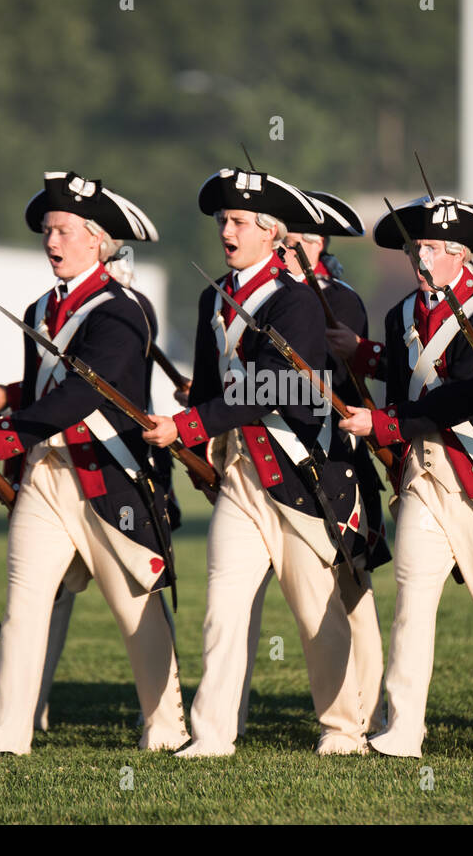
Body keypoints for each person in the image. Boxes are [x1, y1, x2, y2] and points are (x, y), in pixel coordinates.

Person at [0, 171, 188, 754]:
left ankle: (167, 727)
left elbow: (88, 393)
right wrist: (7, 404)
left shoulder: (123, 310)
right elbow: (45, 394)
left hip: (108, 476)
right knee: (26, 601)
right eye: (48, 231)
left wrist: (3, 439)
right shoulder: (40, 309)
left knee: (136, 607)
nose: (51, 241)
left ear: (95, 238)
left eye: (62, 230)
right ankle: (11, 728)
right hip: (47, 476)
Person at [143, 166, 371, 757]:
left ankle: (343, 729)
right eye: (223, 220)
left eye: (240, 220)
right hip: (241, 476)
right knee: (222, 609)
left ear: (272, 233)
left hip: (299, 475)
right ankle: (212, 734)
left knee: (316, 612)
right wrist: (193, 450)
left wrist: (188, 426)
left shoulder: (296, 302)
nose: (227, 229)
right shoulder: (211, 296)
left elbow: (270, 385)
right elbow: (209, 387)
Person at [338, 193, 473, 759]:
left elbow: (465, 392)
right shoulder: (401, 314)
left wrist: (384, 422)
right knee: (411, 605)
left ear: (461, 254)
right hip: (422, 478)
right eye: (417, 247)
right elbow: (403, 388)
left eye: (432, 247)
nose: (420, 257)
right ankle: (404, 729)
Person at [231, 188, 390, 737]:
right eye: (287, 236)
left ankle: (367, 710)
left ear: (320, 244)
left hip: (326, 456)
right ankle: (227, 720)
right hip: (261, 452)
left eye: (304, 238)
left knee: (349, 584)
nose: (292, 245)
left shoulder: (335, 299)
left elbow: (331, 378)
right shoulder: (260, 296)